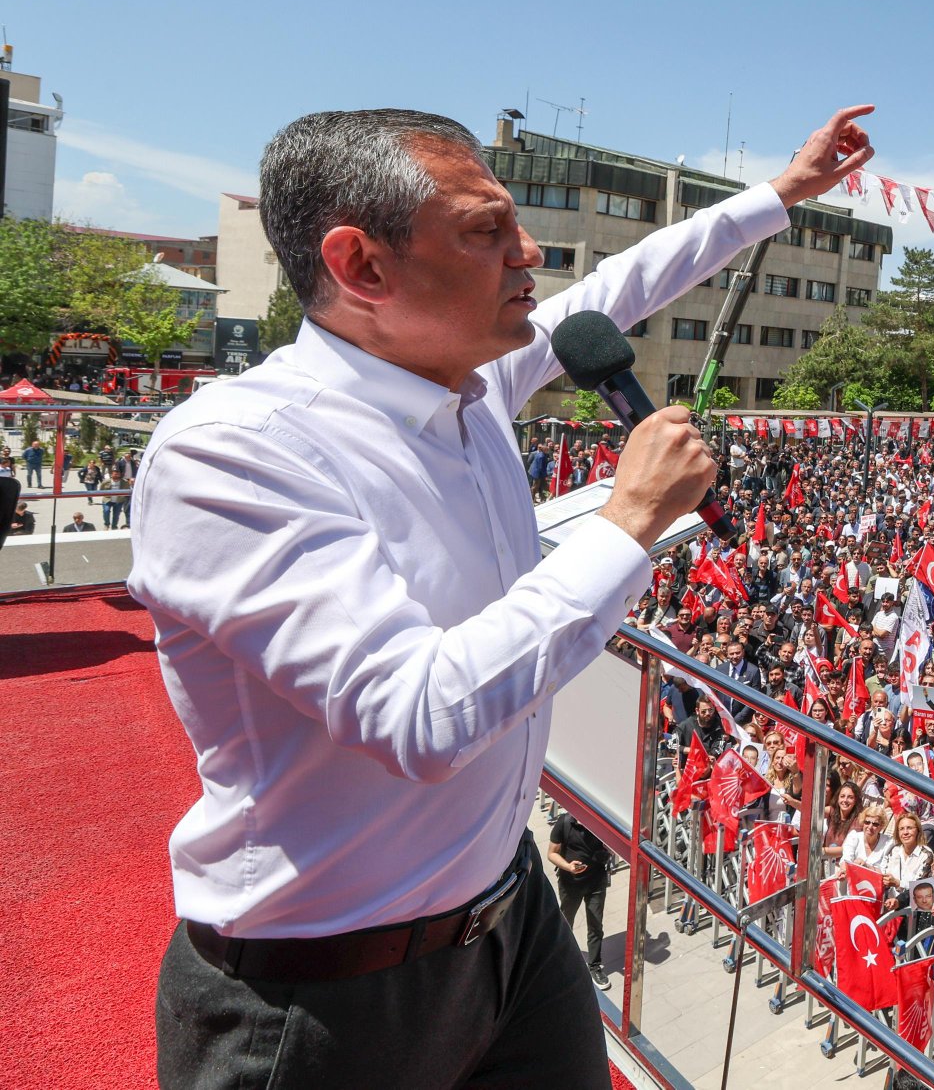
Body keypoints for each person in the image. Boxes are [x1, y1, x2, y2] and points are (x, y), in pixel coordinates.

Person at [134, 103, 872, 1089]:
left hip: (510, 923)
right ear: (362, 266)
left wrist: (779, 196)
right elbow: (419, 718)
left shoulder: (466, 384)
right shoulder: (233, 452)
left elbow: (620, 286)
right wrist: (630, 518)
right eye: (486, 231)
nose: (528, 252)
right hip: (323, 993)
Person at [547, 809, 613, 990]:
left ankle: (595, 966)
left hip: (596, 882)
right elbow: (551, 853)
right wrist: (568, 866)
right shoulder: (565, 822)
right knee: (565, 923)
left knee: (595, 924)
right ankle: (560, 961)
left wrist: (609, 850)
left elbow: (613, 847)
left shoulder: (600, 821)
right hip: (570, 885)